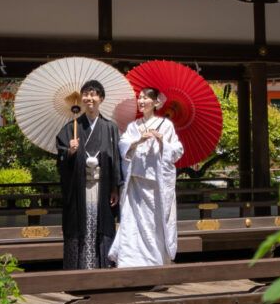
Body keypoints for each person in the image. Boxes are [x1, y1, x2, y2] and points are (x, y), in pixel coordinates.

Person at [109, 87, 184, 268]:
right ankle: (130, 261)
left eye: (145, 98)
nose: (141, 101)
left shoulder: (166, 125)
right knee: (133, 222)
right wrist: (138, 141)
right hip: (136, 183)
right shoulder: (133, 126)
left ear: (156, 102)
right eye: (139, 98)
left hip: (155, 186)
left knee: (154, 223)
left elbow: (177, 151)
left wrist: (162, 141)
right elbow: (123, 146)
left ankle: (155, 261)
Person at [56, 79, 121, 270]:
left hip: (102, 187)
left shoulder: (110, 127)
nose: (89, 98)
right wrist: (69, 151)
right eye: (85, 94)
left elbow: (116, 159)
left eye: (93, 94)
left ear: (101, 98)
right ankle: (77, 270)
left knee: (102, 225)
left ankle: (103, 267)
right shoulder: (71, 128)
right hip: (79, 188)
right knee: (79, 225)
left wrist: (115, 188)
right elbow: (60, 159)